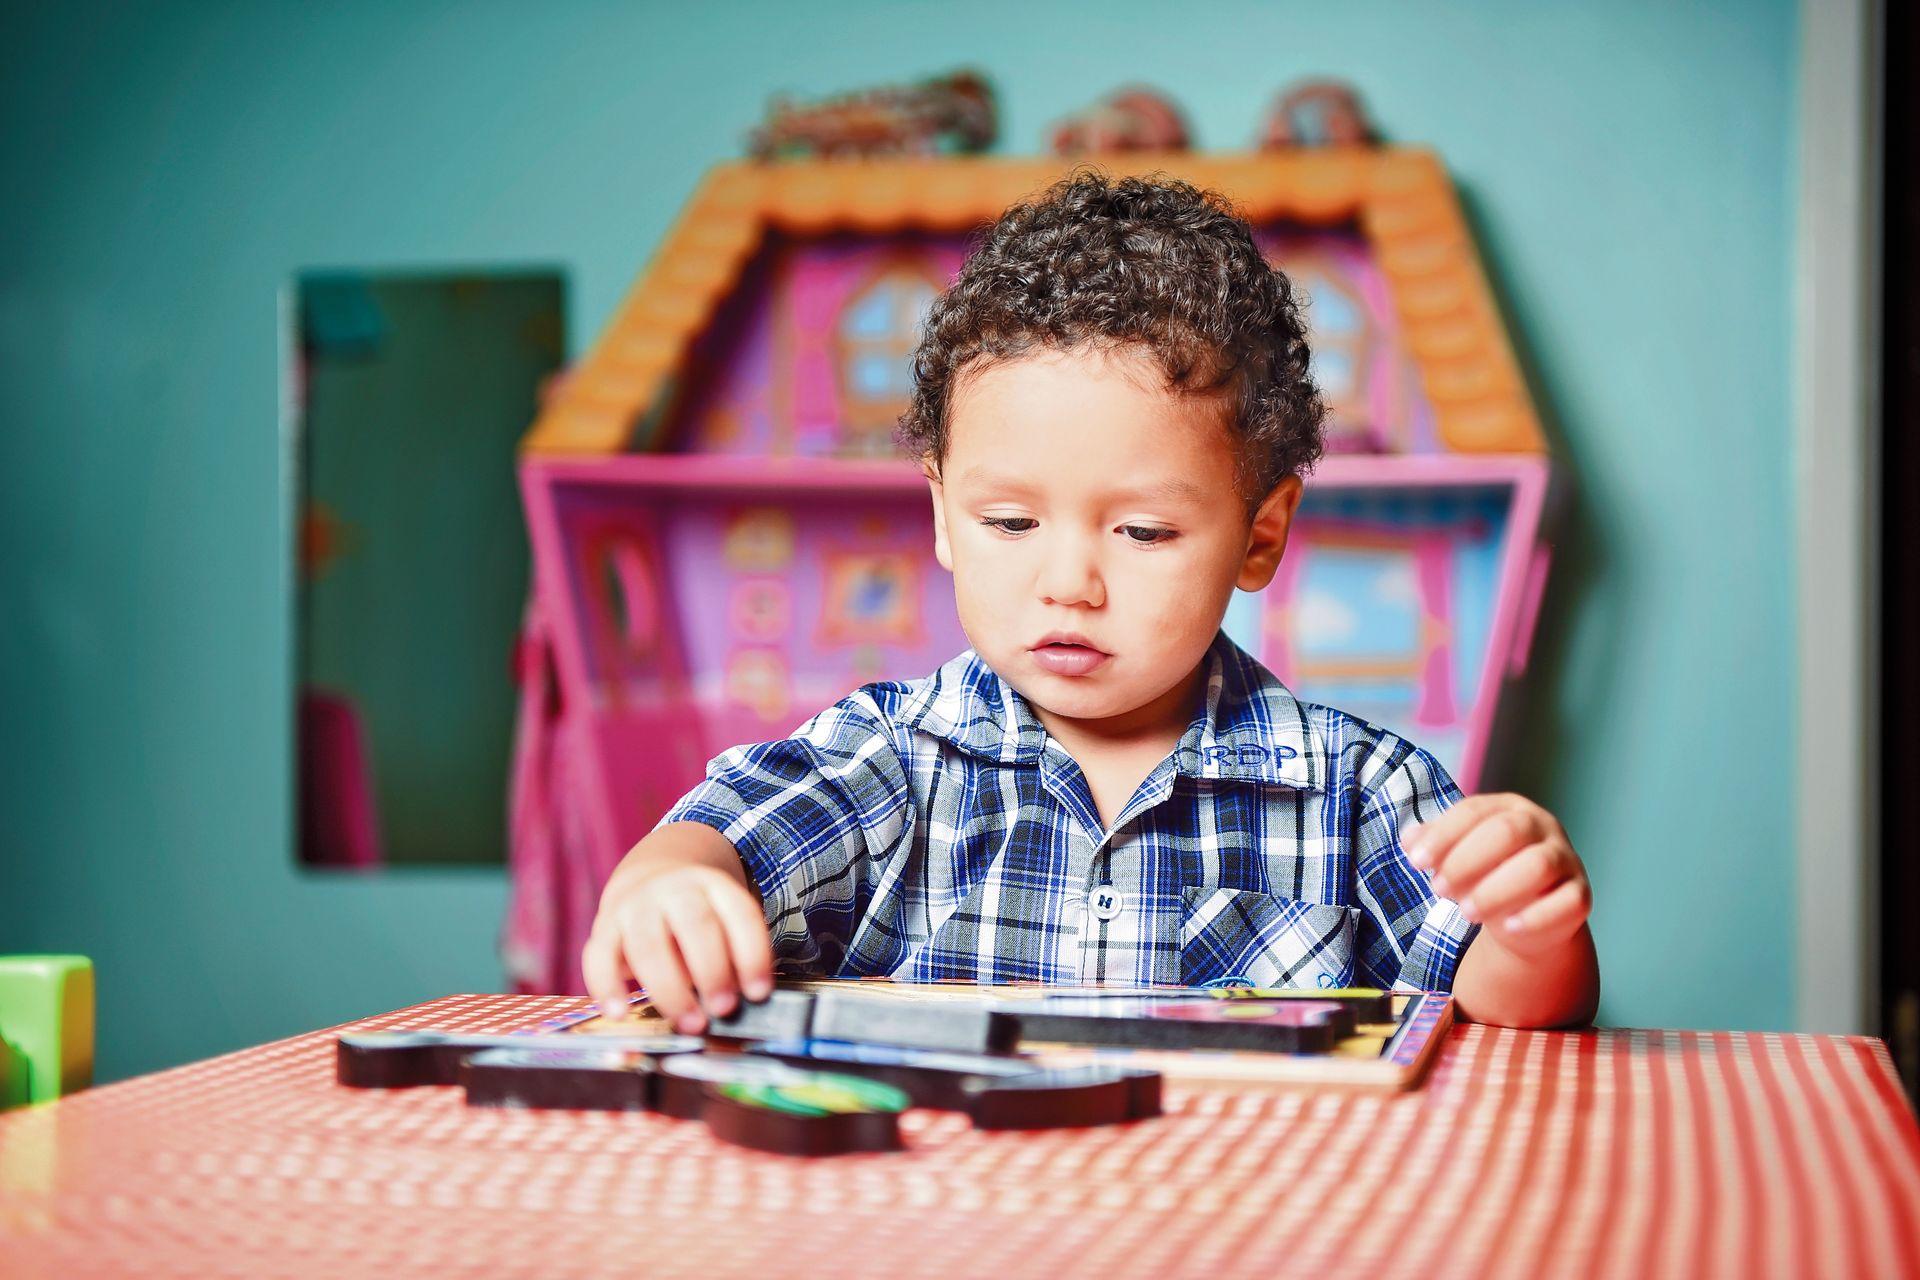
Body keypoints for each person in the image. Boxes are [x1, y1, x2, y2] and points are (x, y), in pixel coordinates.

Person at [583, 171, 1600, 1033]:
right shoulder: (887, 762)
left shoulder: (1358, 789)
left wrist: (1530, 927)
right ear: (941, 513)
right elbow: (709, 837)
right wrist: (668, 888)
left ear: (1260, 534)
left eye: (1144, 531)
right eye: (1010, 522)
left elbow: (1519, 1013)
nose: (1068, 581)